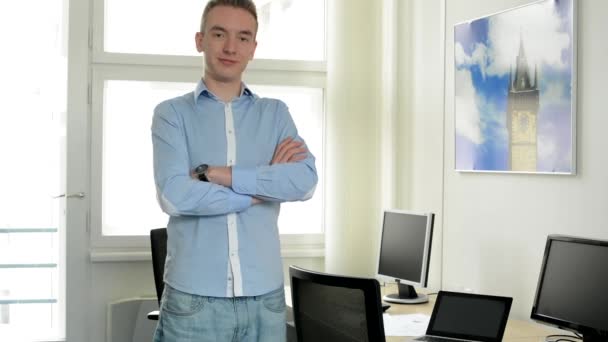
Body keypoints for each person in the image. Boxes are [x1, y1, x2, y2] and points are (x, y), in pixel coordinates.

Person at [150, 0, 318, 341]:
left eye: (243, 37)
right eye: (219, 34)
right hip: (193, 300)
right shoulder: (171, 115)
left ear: (253, 48)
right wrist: (265, 187)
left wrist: (217, 173)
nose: (230, 47)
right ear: (200, 40)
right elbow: (175, 196)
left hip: (265, 300)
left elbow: (304, 182)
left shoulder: (275, 114)